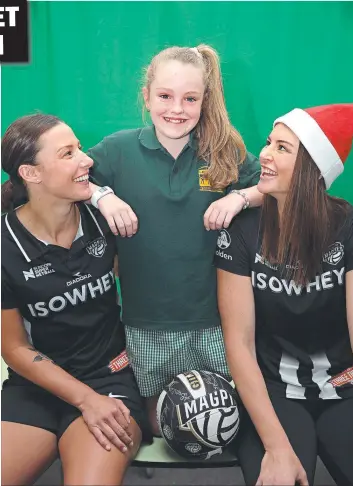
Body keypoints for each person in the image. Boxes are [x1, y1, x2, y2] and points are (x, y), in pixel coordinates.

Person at [86, 44, 262, 433]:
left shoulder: (223, 151)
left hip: (214, 319)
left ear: (204, 101)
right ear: (146, 96)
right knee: (157, 421)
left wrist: (240, 195)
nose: (176, 109)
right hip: (145, 319)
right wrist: (104, 195)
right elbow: (75, 179)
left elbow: (271, 185)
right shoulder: (117, 150)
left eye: (190, 99)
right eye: (165, 96)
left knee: (224, 414)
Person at [1, 114, 151, 486]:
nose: (86, 160)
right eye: (68, 153)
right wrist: (83, 399)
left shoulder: (105, 221)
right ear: (31, 174)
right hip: (35, 387)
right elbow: (14, 347)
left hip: (110, 380)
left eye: (79, 148)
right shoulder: (6, 246)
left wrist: (105, 196)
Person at [215, 103, 353, 485]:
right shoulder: (242, 231)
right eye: (268, 142)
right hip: (272, 392)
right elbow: (239, 345)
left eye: (282, 147)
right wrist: (277, 449)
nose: (264, 153)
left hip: (346, 385)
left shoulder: (348, 225)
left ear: (313, 168)